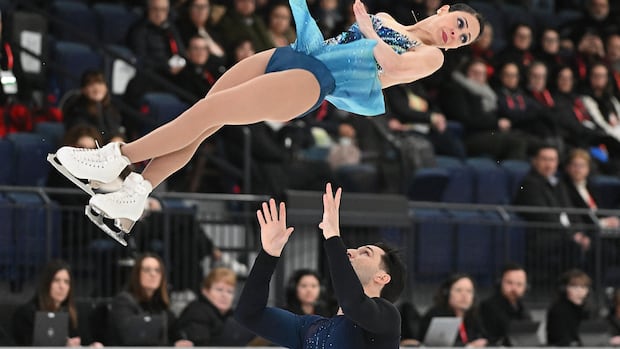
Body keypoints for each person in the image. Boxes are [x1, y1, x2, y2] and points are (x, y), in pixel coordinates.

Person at [50, 0, 483, 239]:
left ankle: (117, 158)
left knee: (208, 112)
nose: (456, 34)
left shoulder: (431, 57)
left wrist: (369, 32)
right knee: (206, 116)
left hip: (315, 81)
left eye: (464, 38)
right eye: (460, 23)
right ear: (445, 9)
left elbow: (394, 67)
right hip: (293, 55)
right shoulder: (387, 16)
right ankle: (133, 195)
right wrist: (371, 25)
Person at [235, 183, 406, 348]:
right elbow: (249, 314)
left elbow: (354, 304)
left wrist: (333, 238)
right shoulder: (311, 328)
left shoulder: (388, 318)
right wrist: (268, 255)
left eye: (365, 253)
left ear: (382, 277)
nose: (351, 252)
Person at [105, 253, 192, 346]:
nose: (153, 274)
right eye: (147, 270)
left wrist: (180, 342)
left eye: (157, 270)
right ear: (137, 274)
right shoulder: (123, 301)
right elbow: (130, 337)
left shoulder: (160, 305)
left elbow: (176, 333)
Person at [12, 260, 101, 347]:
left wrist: (92, 346)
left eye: (66, 282)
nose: (62, 286)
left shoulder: (75, 313)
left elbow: (85, 341)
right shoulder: (26, 314)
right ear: (46, 283)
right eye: (56, 280)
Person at [175, 267, 256, 346]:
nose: (224, 295)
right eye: (219, 289)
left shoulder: (232, 316)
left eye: (229, 291)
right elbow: (200, 343)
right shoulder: (196, 312)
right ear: (205, 291)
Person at [419, 273, 488, 347]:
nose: (464, 295)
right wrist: (468, 346)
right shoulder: (436, 315)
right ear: (447, 293)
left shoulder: (474, 316)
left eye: (469, 291)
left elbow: (486, 339)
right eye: (459, 290)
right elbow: (438, 345)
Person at [62, 70, 125, 144]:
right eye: (91, 84)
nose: (96, 88)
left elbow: (115, 131)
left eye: (100, 83)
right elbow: (79, 131)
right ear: (83, 89)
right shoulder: (76, 108)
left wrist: (117, 138)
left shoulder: (111, 108)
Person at [479, 263, 532, 346]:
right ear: (500, 283)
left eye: (519, 284)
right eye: (509, 283)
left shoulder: (522, 307)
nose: (514, 288)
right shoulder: (488, 306)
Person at [546, 269, 592, 346]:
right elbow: (559, 338)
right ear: (564, 289)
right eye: (574, 286)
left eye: (583, 286)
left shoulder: (590, 309)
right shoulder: (558, 310)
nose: (579, 290)